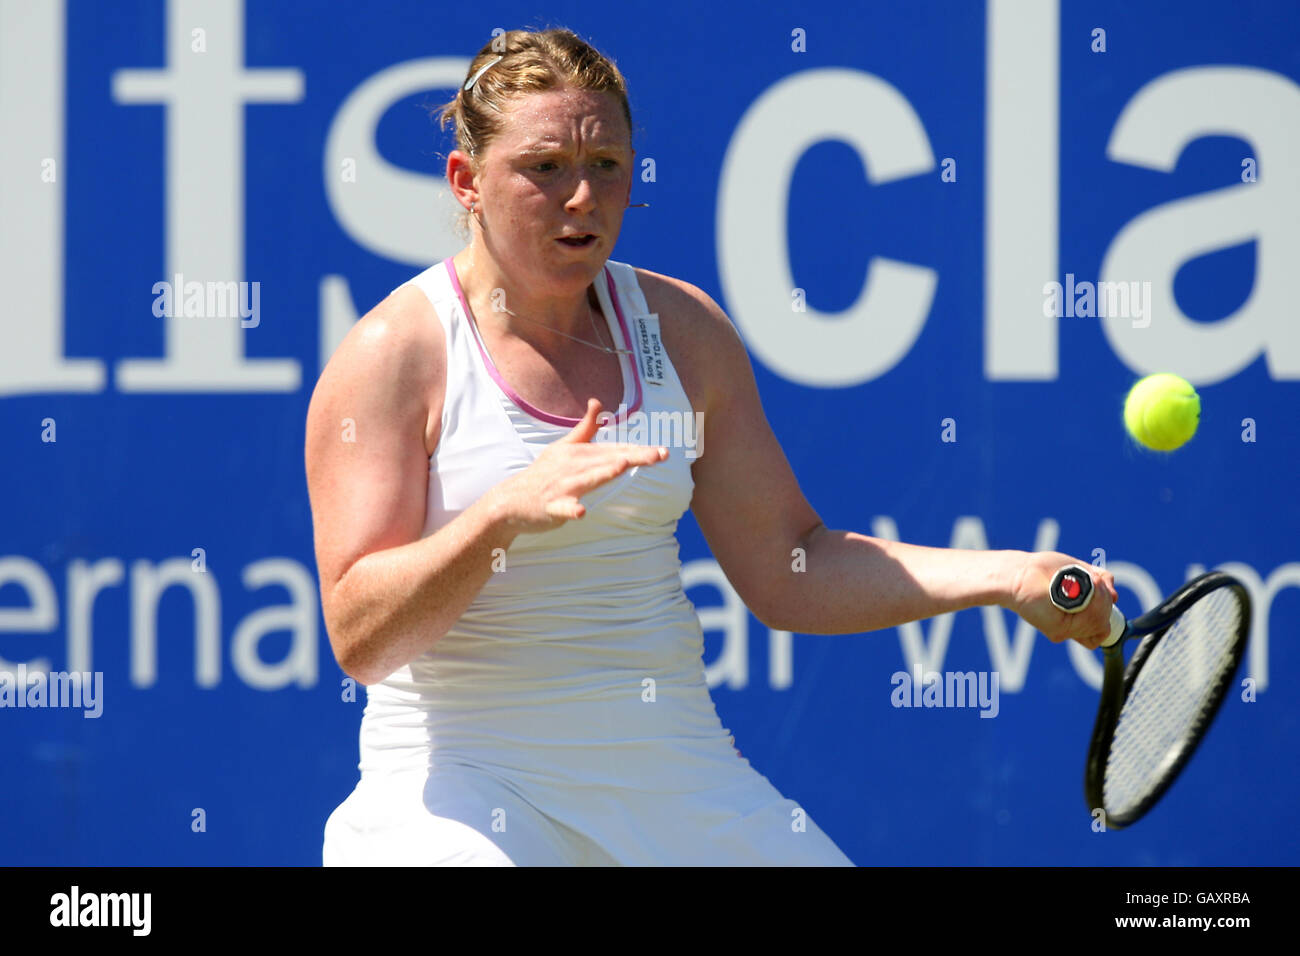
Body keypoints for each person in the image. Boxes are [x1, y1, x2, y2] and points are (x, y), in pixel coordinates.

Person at [306, 27, 1119, 866]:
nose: (582, 197)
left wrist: (1008, 576)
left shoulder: (683, 333)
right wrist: (498, 517)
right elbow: (360, 637)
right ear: (467, 182)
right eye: (545, 167)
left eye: (608, 166)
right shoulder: (393, 356)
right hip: (459, 791)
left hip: (674, 775)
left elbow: (792, 566)